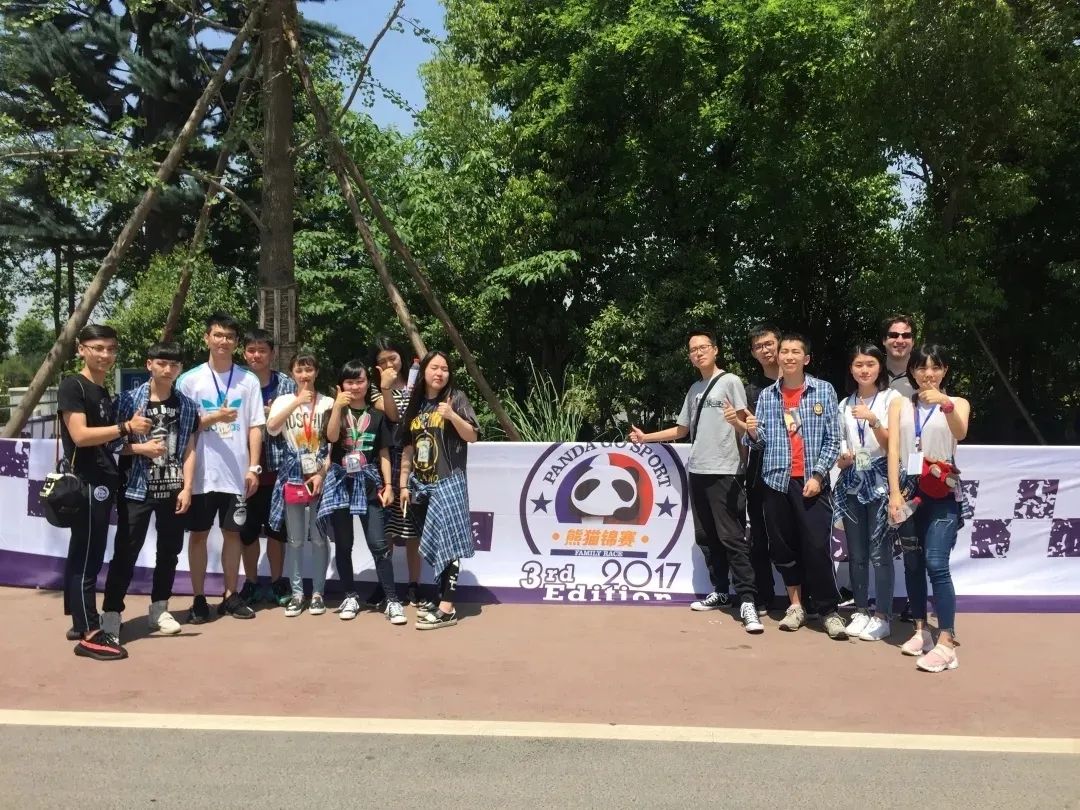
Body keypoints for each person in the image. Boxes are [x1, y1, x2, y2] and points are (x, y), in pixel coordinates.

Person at [630, 330, 763, 634]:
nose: (698, 352)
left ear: (716, 350)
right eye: (693, 349)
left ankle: (748, 600)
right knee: (706, 536)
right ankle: (721, 590)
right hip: (698, 470)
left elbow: (747, 426)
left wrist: (738, 426)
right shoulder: (694, 389)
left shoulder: (730, 381)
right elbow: (682, 430)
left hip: (726, 470)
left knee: (732, 537)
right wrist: (645, 437)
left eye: (704, 347)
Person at [746, 333, 847, 639]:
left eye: (795, 352)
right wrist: (750, 431)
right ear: (778, 357)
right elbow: (760, 442)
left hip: (812, 481)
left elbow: (833, 439)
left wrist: (818, 476)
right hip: (776, 481)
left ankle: (828, 610)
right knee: (783, 547)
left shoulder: (823, 390)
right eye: (785, 351)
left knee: (816, 546)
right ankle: (795, 606)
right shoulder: (768, 396)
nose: (789, 356)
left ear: (806, 359)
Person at [101, 342, 199, 646]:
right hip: (136, 488)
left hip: (172, 487)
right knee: (126, 552)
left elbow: (189, 448)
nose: (168, 369)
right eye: (162, 363)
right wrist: (140, 448)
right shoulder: (128, 400)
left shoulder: (187, 405)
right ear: (149, 364)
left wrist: (187, 487)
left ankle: (159, 608)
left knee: (169, 551)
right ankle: (111, 614)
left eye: (174, 364)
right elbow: (110, 444)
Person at [60, 325, 145, 660]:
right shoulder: (73, 385)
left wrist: (136, 443)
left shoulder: (101, 390)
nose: (105, 355)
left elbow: (107, 442)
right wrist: (125, 427)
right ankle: (90, 633)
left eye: (110, 349)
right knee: (88, 557)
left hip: (103, 481)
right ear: (81, 349)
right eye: (97, 348)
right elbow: (80, 436)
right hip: (87, 483)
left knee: (84, 553)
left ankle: (79, 622)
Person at [176, 312, 264, 623]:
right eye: (218, 335)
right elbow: (182, 426)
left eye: (229, 336)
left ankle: (230, 594)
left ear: (236, 343)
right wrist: (213, 418)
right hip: (201, 474)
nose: (223, 341)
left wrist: (253, 467)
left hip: (236, 474)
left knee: (233, 535)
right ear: (207, 338)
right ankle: (199, 598)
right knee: (199, 535)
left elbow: (255, 426)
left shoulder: (248, 380)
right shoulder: (189, 381)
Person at [887, 344, 970, 672]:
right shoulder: (899, 403)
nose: (928, 374)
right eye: (922, 367)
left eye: (936, 367)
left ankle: (947, 641)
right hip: (909, 489)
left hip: (942, 487)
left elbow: (961, 432)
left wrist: (945, 404)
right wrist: (894, 494)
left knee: (937, 562)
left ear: (945, 370)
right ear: (912, 371)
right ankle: (921, 629)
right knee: (912, 562)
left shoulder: (957, 403)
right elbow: (894, 450)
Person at [398, 351, 480, 630]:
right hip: (421, 486)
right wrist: (403, 483)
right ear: (424, 372)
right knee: (435, 543)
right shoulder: (416, 404)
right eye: (434, 367)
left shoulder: (456, 398)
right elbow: (408, 448)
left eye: (445, 369)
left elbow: (472, 436)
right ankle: (440, 598)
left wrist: (452, 416)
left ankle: (447, 608)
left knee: (450, 542)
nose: (440, 373)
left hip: (449, 482)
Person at [324, 359, 404, 624]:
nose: (355, 386)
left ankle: (392, 600)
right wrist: (338, 407)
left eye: (360, 381)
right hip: (341, 483)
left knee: (378, 544)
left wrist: (389, 486)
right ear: (341, 385)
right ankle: (350, 596)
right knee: (344, 544)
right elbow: (332, 438)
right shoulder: (334, 411)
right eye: (350, 381)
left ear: (368, 384)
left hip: (369, 483)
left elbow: (384, 453)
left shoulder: (377, 415)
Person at [834, 344, 899, 641]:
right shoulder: (844, 403)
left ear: (879, 367)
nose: (864, 370)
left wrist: (873, 420)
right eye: (858, 364)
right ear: (851, 369)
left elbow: (891, 444)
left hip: (882, 481)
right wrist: (843, 458)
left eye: (870, 364)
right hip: (852, 481)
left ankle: (882, 615)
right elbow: (841, 445)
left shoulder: (891, 398)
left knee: (879, 552)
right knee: (857, 553)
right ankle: (860, 610)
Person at [265, 352, 335, 617]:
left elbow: (333, 442)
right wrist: (297, 402)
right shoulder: (284, 400)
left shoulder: (328, 402)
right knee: (294, 539)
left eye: (309, 369)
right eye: (299, 370)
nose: (304, 375)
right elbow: (272, 428)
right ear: (292, 373)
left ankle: (317, 593)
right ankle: (296, 594)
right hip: (293, 472)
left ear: (316, 372)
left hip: (320, 471)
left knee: (318, 538)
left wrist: (323, 473)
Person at [368, 336, 429, 609]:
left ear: (401, 357)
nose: (389, 364)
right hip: (389, 461)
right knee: (387, 529)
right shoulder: (373, 389)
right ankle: (386, 584)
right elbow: (393, 416)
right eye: (382, 361)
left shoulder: (419, 382)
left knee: (413, 528)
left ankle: (414, 585)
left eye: (392, 358)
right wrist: (385, 388)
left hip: (420, 460)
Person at [239, 328, 296, 607]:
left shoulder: (286, 384)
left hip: (278, 468)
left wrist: (272, 415)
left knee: (276, 531)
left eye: (262, 350)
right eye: (251, 350)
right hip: (243, 468)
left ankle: (276, 581)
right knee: (247, 531)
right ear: (244, 354)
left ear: (272, 354)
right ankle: (250, 582)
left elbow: (297, 419)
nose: (256, 355)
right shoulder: (236, 383)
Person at [743, 324, 782, 614]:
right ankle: (763, 595)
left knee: (796, 535)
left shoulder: (803, 383)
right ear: (753, 353)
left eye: (769, 343)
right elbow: (744, 434)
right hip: (758, 470)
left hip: (795, 471)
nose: (766, 350)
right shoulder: (750, 390)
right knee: (758, 534)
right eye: (759, 346)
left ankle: (804, 597)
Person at [882, 314, 916, 398]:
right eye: (893, 335)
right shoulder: (870, 373)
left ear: (913, 342)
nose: (900, 341)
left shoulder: (925, 376)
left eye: (906, 336)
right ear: (884, 340)